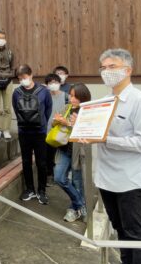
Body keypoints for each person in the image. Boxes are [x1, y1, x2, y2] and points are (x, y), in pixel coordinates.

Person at [92, 48, 141, 264]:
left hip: (131, 179)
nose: (107, 71)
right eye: (103, 67)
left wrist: (106, 139)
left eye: (112, 66)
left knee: (136, 234)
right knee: (120, 228)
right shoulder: (105, 101)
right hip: (108, 176)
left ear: (127, 70)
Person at [52, 83, 92, 222]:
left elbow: (88, 131)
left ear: (83, 97)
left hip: (78, 151)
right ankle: (81, 205)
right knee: (58, 177)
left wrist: (69, 123)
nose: (71, 98)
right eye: (71, 95)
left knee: (77, 181)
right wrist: (58, 121)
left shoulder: (88, 111)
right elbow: (53, 124)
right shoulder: (67, 108)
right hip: (64, 149)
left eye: (75, 96)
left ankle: (73, 209)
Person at [13, 65, 52, 205]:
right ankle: (30, 189)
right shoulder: (16, 92)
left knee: (42, 162)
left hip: (40, 132)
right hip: (24, 132)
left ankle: (42, 191)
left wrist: (42, 123)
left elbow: (48, 109)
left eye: (24, 77)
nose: (22, 80)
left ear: (31, 75)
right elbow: (16, 110)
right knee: (26, 161)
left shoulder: (43, 91)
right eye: (20, 78)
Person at [45, 73, 68, 185]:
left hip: (61, 131)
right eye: (50, 82)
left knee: (60, 155)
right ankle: (50, 175)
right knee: (48, 155)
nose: (53, 84)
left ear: (60, 83)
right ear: (47, 84)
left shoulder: (66, 96)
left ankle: (60, 175)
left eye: (55, 82)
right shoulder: (45, 95)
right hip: (47, 130)